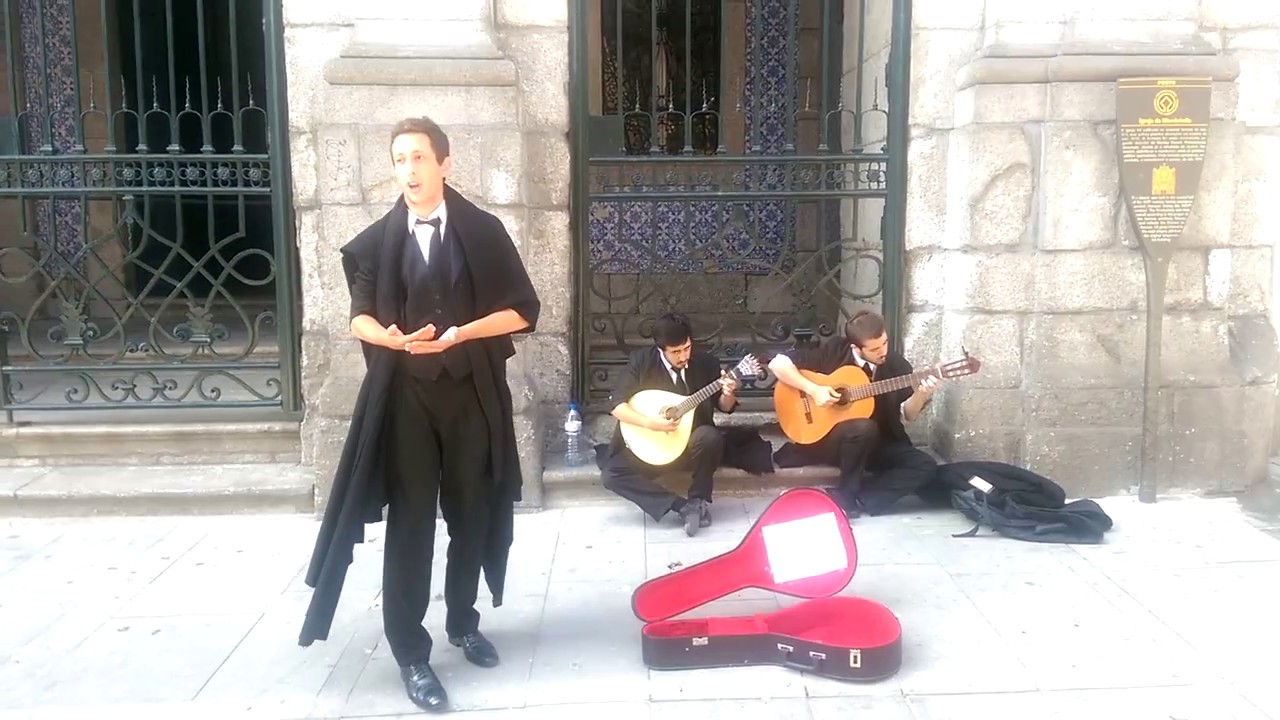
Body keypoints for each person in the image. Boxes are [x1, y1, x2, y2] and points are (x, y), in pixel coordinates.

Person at [297, 116, 541, 714]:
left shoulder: (483, 231)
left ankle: (462, 620)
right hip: (407, 399)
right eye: (399, 159)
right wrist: (392, 340)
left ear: (444, 164)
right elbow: (358, 317)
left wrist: (463, 334)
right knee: (412, 526)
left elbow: (523, 312)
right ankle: (411, 652)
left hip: (469, 395)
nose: (408, 169)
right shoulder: (379, 240)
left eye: (419, 158)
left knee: (471, 513)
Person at [768, 309, 939, 517]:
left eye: (885, 343)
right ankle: (845, 493)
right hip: (831, 441)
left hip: (881, 444)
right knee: (863, 426)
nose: (883, 351)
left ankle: (866, 498)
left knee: (926, 465)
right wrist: (814, 390)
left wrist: (921, 393)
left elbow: (909, 415)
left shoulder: (897, 365)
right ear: (856, 348)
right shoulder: (834, 350)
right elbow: (777, 363)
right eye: (875, 348)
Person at [602, 312, 740, 536]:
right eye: (676, 352)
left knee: (710, 437)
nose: (683, 356)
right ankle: (682, 507)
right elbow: (616, 405)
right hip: (653, 446)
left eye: (686, 348)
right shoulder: (642, 362)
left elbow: (725, 407)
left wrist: (729, 393)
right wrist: (650, 423)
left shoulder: (706, 364)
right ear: (661, 348)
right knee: (611, 475)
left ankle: (698, 500)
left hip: (691, 445)